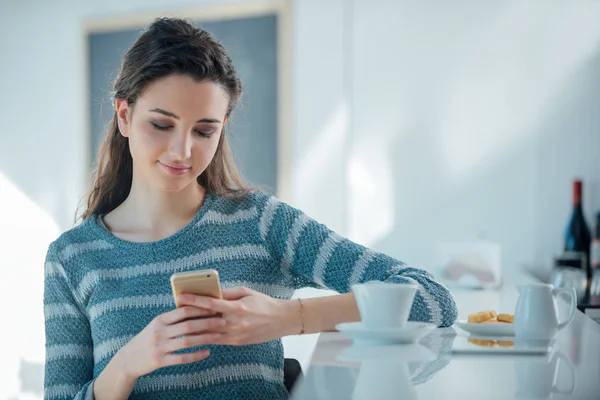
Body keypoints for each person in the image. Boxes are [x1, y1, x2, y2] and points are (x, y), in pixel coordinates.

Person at [43, 17, 458, 400]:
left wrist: (291, 317)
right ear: (124, 115)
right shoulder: (70, 259)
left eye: (205, 130)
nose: (182, 150)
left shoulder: (262, 222)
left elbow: (432, 299)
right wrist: (126, 365)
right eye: (161, 124)